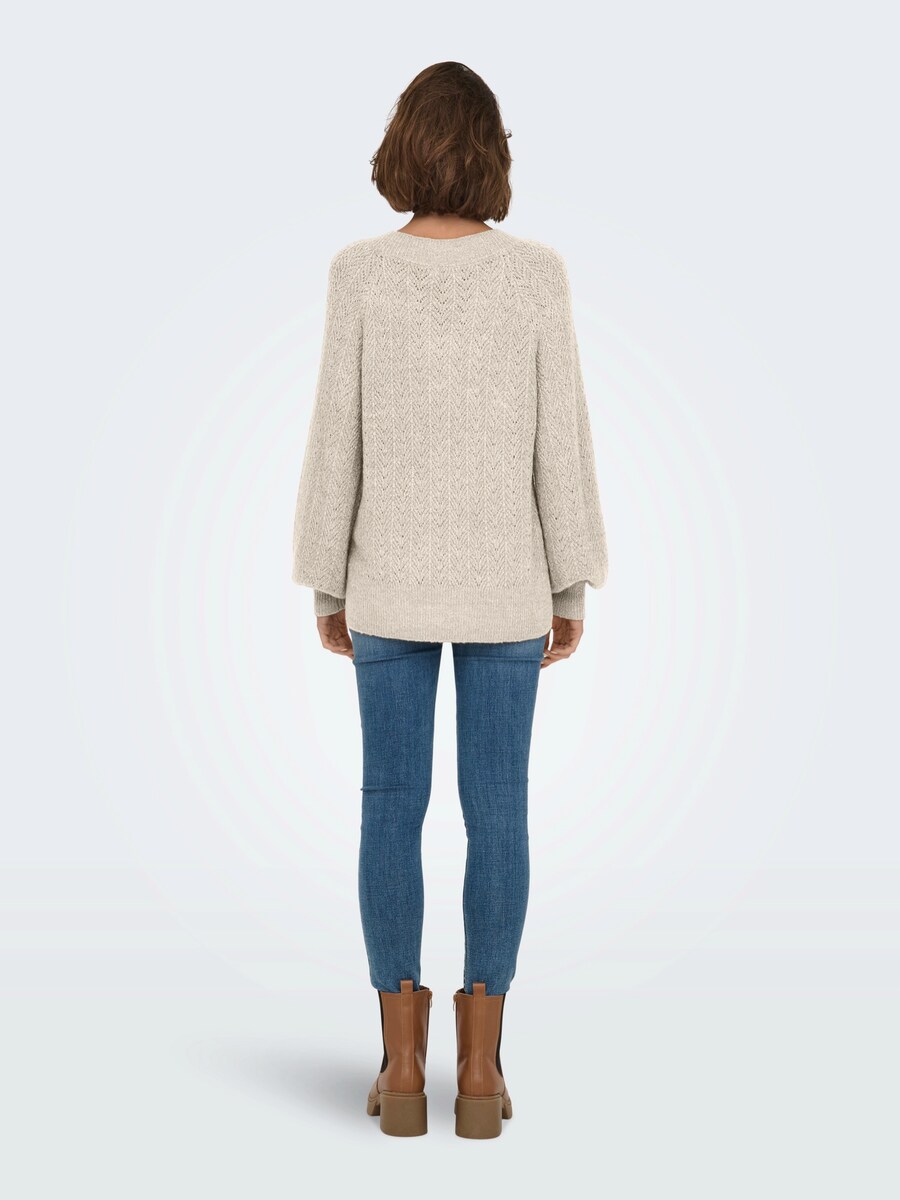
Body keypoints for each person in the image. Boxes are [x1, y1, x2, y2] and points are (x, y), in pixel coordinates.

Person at [291, 60, 608, 1138]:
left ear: (401, 148)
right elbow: (560, 436)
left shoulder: (359, 273)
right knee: (498, 812)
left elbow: (336, 432)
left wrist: (328, 577)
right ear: (492, 154)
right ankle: (478, 1073)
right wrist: (568, 582)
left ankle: (398, 1068)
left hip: (385, 580)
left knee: (391, 806)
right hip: (507, 585)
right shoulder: (536, 275)